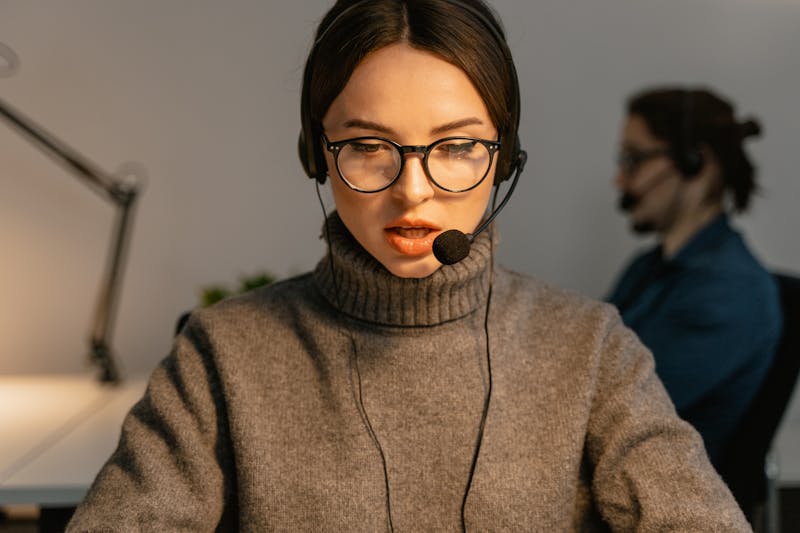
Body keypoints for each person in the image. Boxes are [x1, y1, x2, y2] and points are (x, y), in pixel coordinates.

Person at [68, 3, 751, 531]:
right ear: (316, 152)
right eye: (368, 145)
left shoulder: (590, 350)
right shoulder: (222, 355)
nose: (412, 191)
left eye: (455, 147)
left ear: (503, 157)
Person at [607, 86, 783, 469]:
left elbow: (616, 410)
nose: (620, 180)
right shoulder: (649, 267)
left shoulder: (730, 291)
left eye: (634, 159)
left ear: (693, 163)